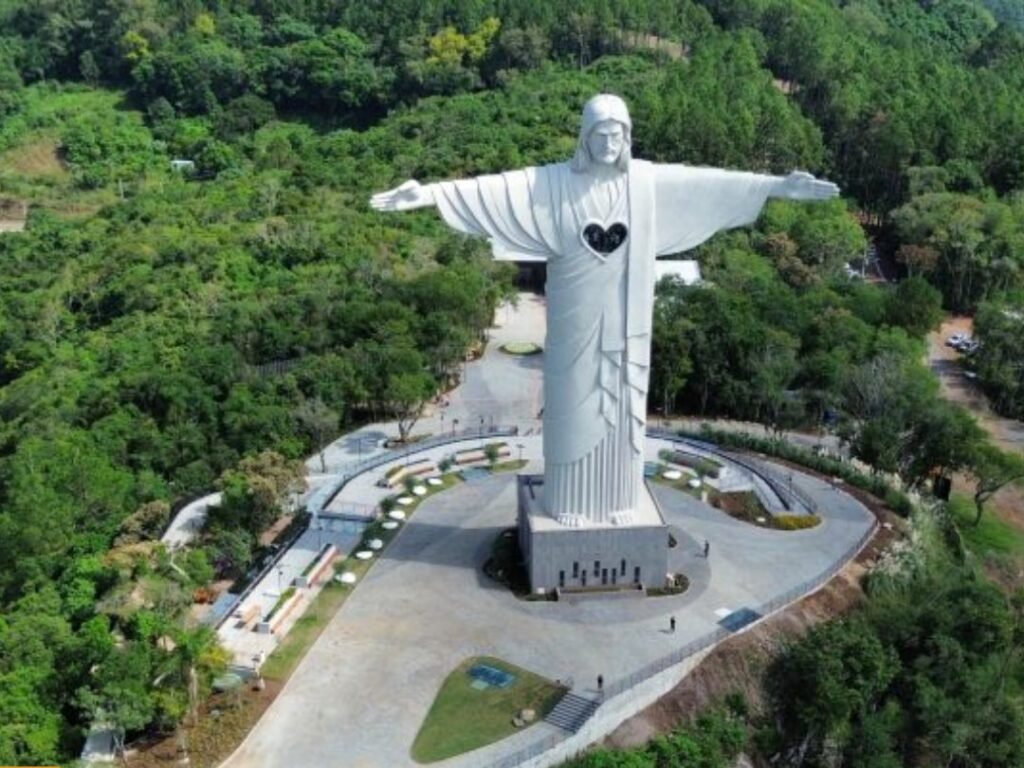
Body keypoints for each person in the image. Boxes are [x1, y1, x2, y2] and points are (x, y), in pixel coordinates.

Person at [371, 95, 838, 528]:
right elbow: (497, 190)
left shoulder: (645, 184)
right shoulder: (554, 183)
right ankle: (569, 501)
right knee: (574, 408)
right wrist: (429, 194)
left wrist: (779, 186)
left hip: (628, 321)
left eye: (617, 135)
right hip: (575, 322)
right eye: (600, 135)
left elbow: (710, 183)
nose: (609, 143)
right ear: (584, 137)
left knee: (624, 410)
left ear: (628, 137)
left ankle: (618, 501)